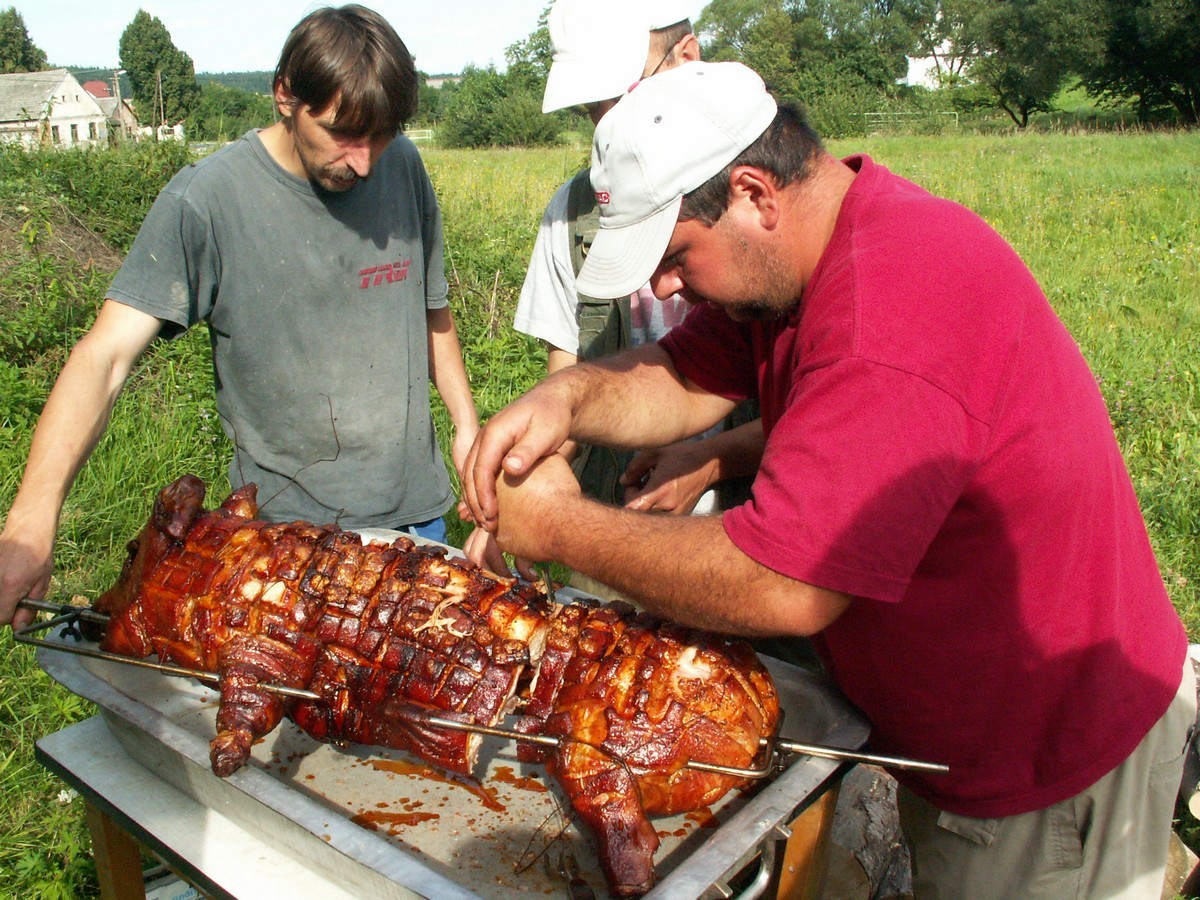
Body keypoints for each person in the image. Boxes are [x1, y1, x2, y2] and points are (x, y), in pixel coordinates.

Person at [462, 61, 1193, 897]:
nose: (662, 287)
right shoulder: (795, 267)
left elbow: (787, 584)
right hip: (955, 731)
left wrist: (560, 527)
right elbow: (683, 375)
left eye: (673, 256)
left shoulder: (891, 310)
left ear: (754, 194)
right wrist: (565, 397)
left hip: (1042, 765)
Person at [0, 5, 478, 631]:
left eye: (382, 135)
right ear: (285, 95)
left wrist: (467, 427)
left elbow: (430, 310)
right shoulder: (206, 200)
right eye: (342, 133)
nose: (364, 163)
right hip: (286, 546)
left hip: (417, 523)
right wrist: (31, 524)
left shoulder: (402, 165)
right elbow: (104, 358)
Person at [464, 0, 763, 576]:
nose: (608, 127)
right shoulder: (575, 213)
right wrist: (526, 482)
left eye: (622, 98)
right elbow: (569, 386)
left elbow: (817, 418)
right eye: (593, 111)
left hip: (742, 526)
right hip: (613, 512)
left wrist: (710, 459)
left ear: (688, 58)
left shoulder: (758, 219)